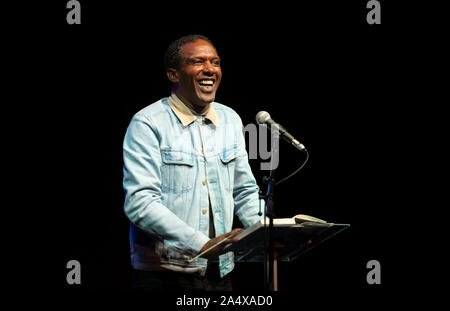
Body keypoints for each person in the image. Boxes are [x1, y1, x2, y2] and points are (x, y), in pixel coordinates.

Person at [122, 34, 263, 291]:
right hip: (165, 275)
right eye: (198, 62)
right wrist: (201, 243)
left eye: (216, 62)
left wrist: (264, 231)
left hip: (220, 272)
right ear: (174, 75)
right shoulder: (148, 123)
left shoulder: (230, 119)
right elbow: (139, 202)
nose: (210, 69)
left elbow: (243, 191)